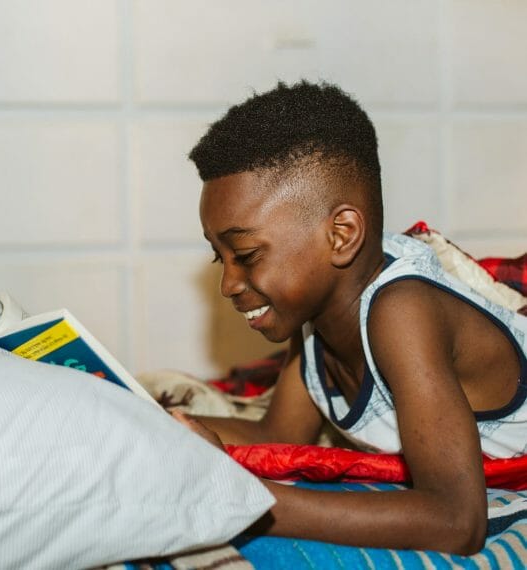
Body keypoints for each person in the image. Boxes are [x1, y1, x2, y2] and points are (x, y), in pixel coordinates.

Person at [175, 80, 527, 555]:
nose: (229, 284)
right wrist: (149, 419)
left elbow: (456, 521)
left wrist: (243, 499)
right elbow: (279, 436)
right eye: (221, 258)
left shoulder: (401, 311)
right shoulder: (315, 323)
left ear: (341, 234)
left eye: (246, 253)